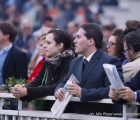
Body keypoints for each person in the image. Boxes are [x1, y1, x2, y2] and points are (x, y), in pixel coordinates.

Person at [55, 23, 123, 115]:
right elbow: (64, 82)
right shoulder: (75, 62)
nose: (74, 41)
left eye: (78, 37)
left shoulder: (110, 61)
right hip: (78, 115)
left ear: (90, 41)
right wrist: (59, 89)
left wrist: (83, 93)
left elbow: (113, 90)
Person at [11, 29, 75, 110]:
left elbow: (57, 87)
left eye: (48, 43)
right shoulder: (48, 63)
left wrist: (27, 91)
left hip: (66, 112)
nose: (44, 46)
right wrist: (20, 89)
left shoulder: (73, 62)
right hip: (48, 111)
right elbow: (34, 83)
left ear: (60, 46)